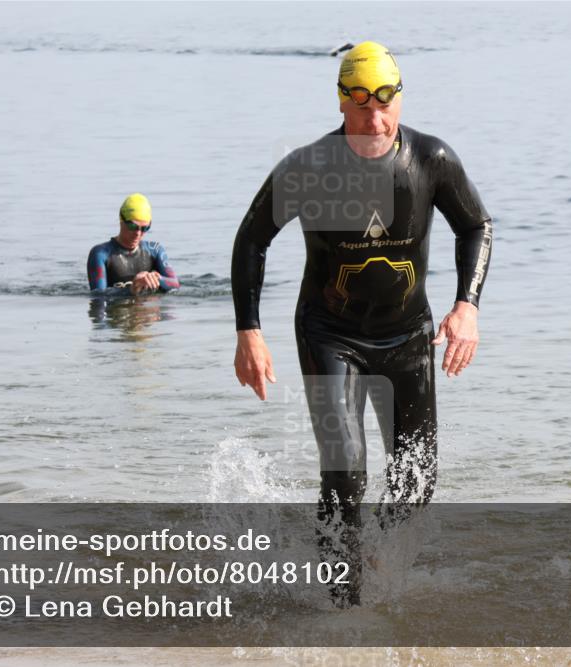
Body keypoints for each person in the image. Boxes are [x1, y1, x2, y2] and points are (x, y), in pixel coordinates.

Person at [231, 41, 493, 606]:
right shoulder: (309, 166)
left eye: (385, 105)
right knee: (345, 468)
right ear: (341, 103)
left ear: (399, 99)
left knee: (417, 483)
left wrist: (467, 306)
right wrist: (248, 332)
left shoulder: (432, 160)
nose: (374, 122)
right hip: (332, 334)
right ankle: (342, 612)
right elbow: (252, 240)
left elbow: (476, 226)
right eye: (360, 107)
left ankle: (367, 557)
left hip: (408, 335)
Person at [87, 193, 180, 296]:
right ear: (121, 221)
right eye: (133, 226)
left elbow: (175, 284)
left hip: (146, 309)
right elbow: (98, 295)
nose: (138, 233)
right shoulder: (101, 254)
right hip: (116, 310)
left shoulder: (155, 250)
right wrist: (132, 289)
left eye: (145, 228)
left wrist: (156, 278)